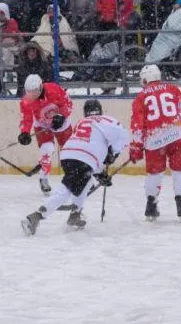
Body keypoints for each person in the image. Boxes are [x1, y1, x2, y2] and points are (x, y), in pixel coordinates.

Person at [21, 99, 129, 235]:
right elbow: (122, 135)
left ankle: (75, 215)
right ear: (100, 110)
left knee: (85, 180)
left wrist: (99, 173)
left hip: (68, 155)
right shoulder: (106, 120)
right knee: (66, 190)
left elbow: (89, 148)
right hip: (83, 158)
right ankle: (35, 217)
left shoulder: (82, 122)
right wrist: (114, 153)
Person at [129, 64, 181, 222]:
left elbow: (137, 125)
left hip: (154, 140)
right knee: (180, 172)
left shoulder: (140, 97)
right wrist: (175, 127)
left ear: (145, 78)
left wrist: (136, 147)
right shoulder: (173, 89)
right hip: (177, 135)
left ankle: (151, 205)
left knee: (154, 174)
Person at [17, 74, 73, 195]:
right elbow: (26, 118)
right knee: (47, 149)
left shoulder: (53, 89)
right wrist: (24, 132)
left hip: (61, 121)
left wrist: (62, 116)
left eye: (34, 92)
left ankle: (74, 177)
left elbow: (67, 103)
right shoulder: (26, 101)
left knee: (68, 151)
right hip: (42, 124)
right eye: (29, 92)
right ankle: (44, 178)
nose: (31, 95)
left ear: (41, 87)